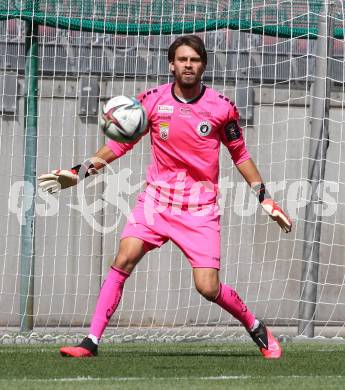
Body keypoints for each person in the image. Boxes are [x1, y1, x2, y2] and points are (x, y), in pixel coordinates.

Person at [38, 35, 292, 359]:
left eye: (195, 60)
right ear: (171, 64)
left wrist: (265, 198)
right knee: (123, 258)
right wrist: (79, 171)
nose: (188, 65)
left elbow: (240, 155)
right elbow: (119, 145)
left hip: (199, 208)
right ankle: (90, 342)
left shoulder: (221, 108)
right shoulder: (152, 101)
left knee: (207, 287)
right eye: (182, 59)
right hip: (156, 201)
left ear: (203, 65)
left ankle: (255, 326)